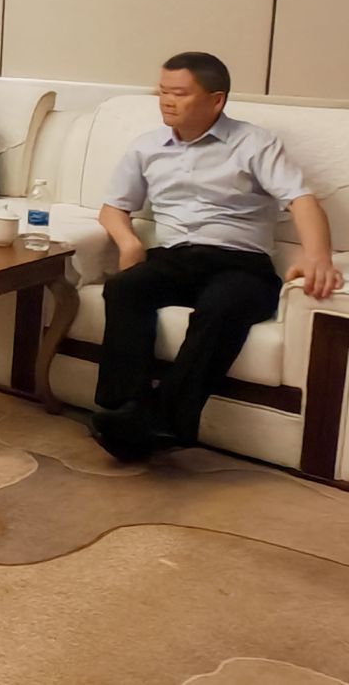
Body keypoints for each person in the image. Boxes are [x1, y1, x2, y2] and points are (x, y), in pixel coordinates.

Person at [90, 51, 340, 462]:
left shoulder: (253, 143)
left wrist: (318, 257)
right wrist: (129, 243)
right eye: (162, 91)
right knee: (126, 287)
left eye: (179, 93)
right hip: (175, 258)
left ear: (216, 100)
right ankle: (120, 412)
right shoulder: (147, 146)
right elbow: (112, 208)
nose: (166, 101)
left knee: (223, 304)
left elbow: (301, 199)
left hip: (240, 263)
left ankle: (165, 421)